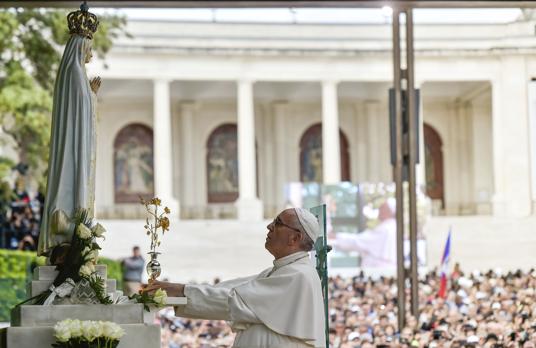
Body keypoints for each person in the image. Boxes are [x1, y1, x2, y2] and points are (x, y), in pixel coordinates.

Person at [143, 208, 326, 347]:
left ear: (295, 238)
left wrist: (182, 291)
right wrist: (180, 292)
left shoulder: (299, 276)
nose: (269, 226)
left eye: (277, 223)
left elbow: (236, 300)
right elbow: (231, 288)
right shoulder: (281, 271)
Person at [38, 6, 101, 256]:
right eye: (89, 47)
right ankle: (68, 238)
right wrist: (92, 98)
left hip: (74, 142)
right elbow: (81, 113)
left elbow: (80, 110)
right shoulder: (75, 74)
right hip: (74, 148)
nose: (92, 54)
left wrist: (91, 95)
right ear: (80, 46)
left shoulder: (73, 74)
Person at [329, 198, 397, 268]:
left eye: (382, 208)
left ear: (389, 211)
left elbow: (359, 241)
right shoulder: (392, 226)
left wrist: (336, 236)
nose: (379, 210)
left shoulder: (386, 228)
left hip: (379, 269)